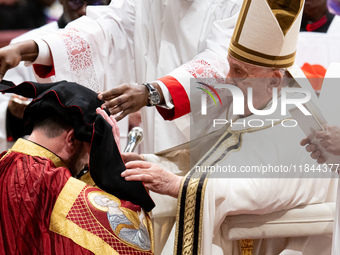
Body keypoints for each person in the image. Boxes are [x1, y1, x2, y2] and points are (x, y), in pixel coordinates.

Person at [120, 0, 335, 254]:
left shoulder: (297, 123)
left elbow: (260, 187)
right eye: (230, 65)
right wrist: (154, 162)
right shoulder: (260, 98)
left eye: (239, 71)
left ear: (275, 82)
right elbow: (216, 156)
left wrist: (178, 186)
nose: (228, 79)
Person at [0, 0, 242, 154]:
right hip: (158, 143)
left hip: (217, 140)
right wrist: (23, 50)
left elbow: (223, 62)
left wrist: (153, 92)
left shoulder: (237, 3)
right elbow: (103, 31)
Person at [0, 80, 154, 254]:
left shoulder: (3, 163)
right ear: (71, 139)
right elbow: (134, 241)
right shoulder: (55, 188)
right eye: (90, 150)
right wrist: (111, 165)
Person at [0, 0, 112, 153]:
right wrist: (12, 111)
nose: (85, 9)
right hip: (46, 158)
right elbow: (4, 110)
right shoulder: (22, 46)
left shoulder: (120, 44)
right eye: (77, 1)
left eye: (97, 2)